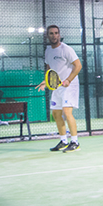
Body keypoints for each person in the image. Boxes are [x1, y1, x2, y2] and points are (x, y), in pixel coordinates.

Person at [36, 25, 82, 153]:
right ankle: (63, 141)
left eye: (56, 33)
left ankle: (75, 142)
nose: (54, 35)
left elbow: (78, 66)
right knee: (56, 114)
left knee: (67, 112)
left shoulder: (66, 49)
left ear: (59, 34)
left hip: (69, 85)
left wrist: (68, 79)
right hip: (57, 86)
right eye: (51, 33)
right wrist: (46, 81)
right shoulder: (48, 50)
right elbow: (50, 67)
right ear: (48, 35)